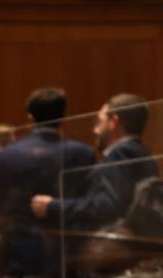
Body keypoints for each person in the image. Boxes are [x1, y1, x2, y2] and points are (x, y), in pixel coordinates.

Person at [0, 87, 94, 278]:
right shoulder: (83, 154)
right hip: (67, 251)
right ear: (63, 117)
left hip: (17, 251)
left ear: (30, 119)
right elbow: (88, 203)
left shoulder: (3, 157)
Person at [30, 93, 158, 230]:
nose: (94, 129)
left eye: (99, 121)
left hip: (113, 247)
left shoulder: (121, 154)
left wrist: (53, 206)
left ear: (114, 122)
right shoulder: (142, 153)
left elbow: (106, 207)